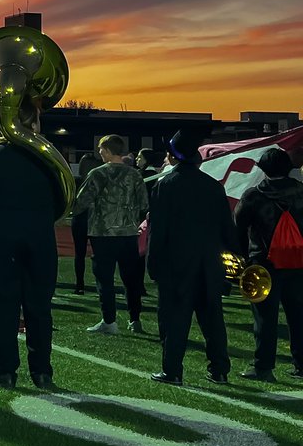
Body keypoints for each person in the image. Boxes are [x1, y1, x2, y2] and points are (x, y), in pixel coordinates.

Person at [0, 100, 60, 390]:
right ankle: (42, 372)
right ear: (33, 122)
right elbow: (62, 198)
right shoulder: (49, 155)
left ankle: (5, 371)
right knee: (39, 307)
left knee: (3, 306)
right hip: (41, 237)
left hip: (3, 239)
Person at [147, 130, 238, 386]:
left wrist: (153, 264)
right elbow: (227, 229)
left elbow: (159, 230)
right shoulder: (213, 186)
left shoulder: (165, 185)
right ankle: (219, 369)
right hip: (210, 263)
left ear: (174, 157)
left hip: (177, 264)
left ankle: (172, 370)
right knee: (213, 321)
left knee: (175, 319)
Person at [233, 147, 303, 381]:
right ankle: (301, 364)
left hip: (263, 264)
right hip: (298, 263)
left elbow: (238, 228)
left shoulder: (253, 195)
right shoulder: (301, 192)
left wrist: (244, 258)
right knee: (299, 316)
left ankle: (263, 366)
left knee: (264, 317)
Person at [74, 135, 148, 334]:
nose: (99, 153)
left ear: (107, 150)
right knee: (131, 280)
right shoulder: (134, 175)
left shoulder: (97, 174)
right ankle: (135, 320)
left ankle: (109, 321)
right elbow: (143, 204)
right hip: (128, 234)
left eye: (101, 149)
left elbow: (81, 202)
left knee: (104, 279)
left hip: (103, 234)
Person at [71, 152, 103, 295]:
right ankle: (101, 286)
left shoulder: (77, 182)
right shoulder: (101, 182)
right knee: (99, 255)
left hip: (80, 219)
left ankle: (80, 285)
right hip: (96, 220)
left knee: (79, 254)